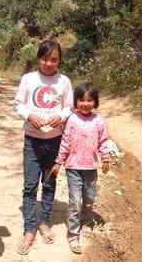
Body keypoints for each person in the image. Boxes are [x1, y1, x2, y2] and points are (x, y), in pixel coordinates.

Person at [14, 39, 73, 255]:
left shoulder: (64, 81)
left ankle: (44, 221)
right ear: (39, 58)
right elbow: (19, 104)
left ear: (59, 61)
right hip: (32, 140)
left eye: (54, 59)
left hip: (55, 140)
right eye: (45, 58)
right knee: (30, 186)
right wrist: (30, 115)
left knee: (49, 184)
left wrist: (61, 116)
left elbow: (69, 107)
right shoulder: (28, 79)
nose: (49, 63)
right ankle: (29, 228)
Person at [51, 83, 111, 254]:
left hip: (91, 168)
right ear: (76, 101)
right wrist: (58, 162)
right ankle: (73, 234)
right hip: (73, 168)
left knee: (89, 198)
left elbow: (103, 141)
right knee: (75, 201)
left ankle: (85, 221)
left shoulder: (98, 121)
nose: (85, 104)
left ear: (95, 102)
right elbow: (65, 142)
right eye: (81, 100)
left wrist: (105, 159)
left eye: (90, 100)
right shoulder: (71, 120)